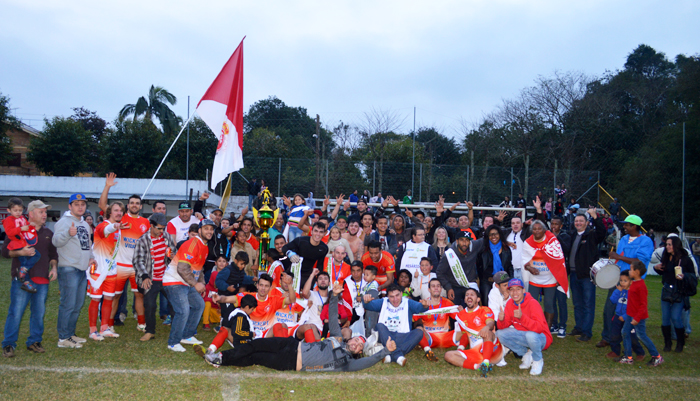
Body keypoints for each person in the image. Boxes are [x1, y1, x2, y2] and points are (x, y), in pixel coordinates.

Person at [202, 281, 396, 371]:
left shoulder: (347, 363)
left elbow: (366, 363)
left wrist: (384, 352)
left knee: (256, 358)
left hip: (291, 363)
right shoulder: (337, 338)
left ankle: (222, 362)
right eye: (357, 341)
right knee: (255, 345)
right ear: (352, 337)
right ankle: (220, 357)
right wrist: (335, 295)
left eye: (359, 347)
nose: (356, 345)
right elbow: (333, 313)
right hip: (292, 345)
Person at [2, 200, 57, 357]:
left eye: (45, 212)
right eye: (41, 212)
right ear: (31, 214)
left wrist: (53, 267)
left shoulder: (48, 233)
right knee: (16, 312)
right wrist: (20, 253)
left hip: (42, 280)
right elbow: (5, 252)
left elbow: (53, 255)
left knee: (38, 313)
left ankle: (34, 341)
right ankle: (8, 344)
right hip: (21, 280)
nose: (45, 215)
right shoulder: (19, 231)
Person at [97, 174, 151, 333]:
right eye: (132, 203)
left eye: (137, 203)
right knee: (115, 296)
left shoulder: (145, 222)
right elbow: (102, 205)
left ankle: (141, 323)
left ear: (140, 206)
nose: (134, 205)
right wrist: (107, 186)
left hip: (137, 267)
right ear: (128, 205)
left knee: (139, 296)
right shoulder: (119, 218)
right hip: (119, 265)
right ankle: (108, 325)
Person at [602, 215, 654, 348]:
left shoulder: (646, 241)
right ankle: (608, 337)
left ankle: (633, 343)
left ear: (634, 226)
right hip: (619, 280)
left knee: (630, 312)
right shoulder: (624, 239)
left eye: (626, 224)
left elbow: (640, 262)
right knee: (610, 308)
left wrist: (618, 256)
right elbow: (620, 258)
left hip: (634, 283)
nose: (624, 227)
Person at [162, 219, 213, 352]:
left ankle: (187, 335)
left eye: (211, 229)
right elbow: (182, 268)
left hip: (186, 282)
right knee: (183, 310)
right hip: (174, 281)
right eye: (206, 228)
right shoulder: (192, 244)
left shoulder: (205, 246)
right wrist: (195, 284)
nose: (209, 231)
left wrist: (201, 283)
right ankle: (173, 342)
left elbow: (199, 268)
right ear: (200, 230)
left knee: (199, 305)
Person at [52, 193, 95, 349]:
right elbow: (55, 241)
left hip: (81, 269)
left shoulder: (84, 224)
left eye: (82, 204)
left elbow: (88, 244)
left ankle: (70, 334)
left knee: (77, 304)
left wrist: (90, 257)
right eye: (76, 204)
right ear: (70, 206)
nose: (80, 207)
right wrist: (67, 234)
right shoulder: (64, 222)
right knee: (68, 304)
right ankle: (63, 337)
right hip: (69, 268)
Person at [86, 202, 128, 341]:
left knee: (109, 298)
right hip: (98, 270)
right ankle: (93, 330)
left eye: (121, 211)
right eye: (116, 210)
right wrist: (114, 226)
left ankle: (104, 327)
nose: (119, 213)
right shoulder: (102, 225)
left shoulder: (119, 229)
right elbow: (106, 230)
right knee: (96, 299)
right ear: (109, 212)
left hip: (111, 269)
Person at [133, 212, 177, 342]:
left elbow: (174, 253)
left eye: (163, 228)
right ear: (151, 226)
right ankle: (150, 331)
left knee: (175, 303)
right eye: (159, 228)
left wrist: (173, 258)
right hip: (151, 278)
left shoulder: (167, 237)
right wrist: (145, 276)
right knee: (150, 305)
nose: (161, 231)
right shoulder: (143, 240)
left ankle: (177, 329)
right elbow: (137, 260)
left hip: (166, 278)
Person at [564, 209, 605, 342]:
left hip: (587, 276)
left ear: (587, 223)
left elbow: (602, 232)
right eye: (576, 221)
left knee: (588, 304)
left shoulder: (591, 235)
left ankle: (587, 332)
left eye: (581, 221)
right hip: (574, 275)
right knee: (577, 303)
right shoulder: (572, 235)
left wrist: (596, 217)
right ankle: (579, 327)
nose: (578, 223)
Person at [363, 283, 429, 366]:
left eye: (397, 295)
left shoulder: (408, 302)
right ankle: (398, 356)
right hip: (386, 336)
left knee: (419, 332)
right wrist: (365, 301)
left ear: (401, 293)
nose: (395, 299)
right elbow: (369, 306)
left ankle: (391, 357)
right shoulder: (383, 301)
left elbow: (419, 307)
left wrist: (425, 306)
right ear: (387, 296)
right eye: (391, 296)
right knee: (379, 326)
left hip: (402, 337)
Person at [496, 278, 552, 376]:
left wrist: (522, 318)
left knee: (530, 335)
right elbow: (504, 326)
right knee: (499, 334)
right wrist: (501, 320)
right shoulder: (510, 303)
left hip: (541, 337)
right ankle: (526, 354)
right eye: (512, 289)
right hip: (524, 335)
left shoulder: (532, 303)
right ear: (508, 291)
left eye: (518, 289)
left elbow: (539, 328)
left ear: (523, 290)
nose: (515, 292)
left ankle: (537, 360)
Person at [521, 220, 568, 332]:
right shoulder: (528, 243)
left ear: (544, 230)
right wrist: (529, 268)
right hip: (534, 279)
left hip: (549, 278)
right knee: (532, 304)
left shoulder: (552, 241)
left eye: (539, 228)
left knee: (549, 304)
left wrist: (558, 276)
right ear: (531, 231)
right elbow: (523, 260)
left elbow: (559, 259)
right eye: (534, 229)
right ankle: (533, 327)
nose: (537, 231)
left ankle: (546, 330)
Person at [445, 288, 503, 377]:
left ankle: (486, 363)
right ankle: (478, 367)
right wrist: (460, 348)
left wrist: (486, 327)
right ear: (464, 300)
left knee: (488, 333)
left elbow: (491, 323)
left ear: (478, 299)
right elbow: (464, 334)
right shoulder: (461, 315)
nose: (469, 296)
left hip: (492, 350)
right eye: (467, 295)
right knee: (448, 355)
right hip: (476, 352)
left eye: (472, 294)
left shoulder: (485, 310)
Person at [653, 235, 696, 353]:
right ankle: (668, 343)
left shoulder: (685, 259)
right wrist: (656, 268)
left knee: (676, 317)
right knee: (665, 318)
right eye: (666, 244)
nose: (667, 247)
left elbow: (693, 276)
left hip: (679, 291)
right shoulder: (666, 257)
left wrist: (684, 276)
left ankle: (680, 343)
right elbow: (664, 273)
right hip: (666, 289)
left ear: (676, 245)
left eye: (670, 244)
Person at [621, 261, 663, 366]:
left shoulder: (641, 286)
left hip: (637, 317)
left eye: (631, 270)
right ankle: (628, 356)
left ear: (637, 272)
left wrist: (637, 318)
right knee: (625, 332)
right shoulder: (634, 283)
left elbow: (643, 305)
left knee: (641, 335)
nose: (629, 271)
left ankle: (656, 356)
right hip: (631, 315)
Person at [413, 278, 457, 361]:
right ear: (429, 289)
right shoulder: (424, 303)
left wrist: (461, 311)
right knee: (419, 330)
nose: (436, 288)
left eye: (438, 286)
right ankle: (428, 351)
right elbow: (412, 318)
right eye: (433, 286)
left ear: (441, 289)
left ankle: (460, 350)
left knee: (464, 329)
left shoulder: (448, 303)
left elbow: (459, 317)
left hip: (446, 336)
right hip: (429, 337)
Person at [3, 198, 41, 293]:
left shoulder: (22, 218)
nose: (18, 212)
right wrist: (21, 229)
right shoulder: (8, 220)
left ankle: (24, 269)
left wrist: (30, 225)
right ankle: (25, 281)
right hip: (17, 244)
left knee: (36, 255)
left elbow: (26, 226)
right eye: (15, 210)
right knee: (23, 261)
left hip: (24, 243)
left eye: (20, 210)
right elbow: (9, 232)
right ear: (9, 210)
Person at [437, 231, 482, 308]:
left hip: (469, 285)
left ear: (470, 242)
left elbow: (487, 238)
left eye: (467, 240)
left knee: (473, 309)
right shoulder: (449, 255)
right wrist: (448, 287)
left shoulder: (474, 247)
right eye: (462, 240)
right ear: (457, 241)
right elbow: (439, 272)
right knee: (454, 311)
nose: (464, 243)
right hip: (454, 286)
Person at [608, 271, 645, 361]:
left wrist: (625, 316)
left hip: (628, 317)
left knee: (632, 336)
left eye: (625, 281)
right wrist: (617, 291)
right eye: (621, 280)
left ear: (631, 282)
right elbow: (612, 300)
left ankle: (639, 352)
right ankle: (615, 351)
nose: (622, 283)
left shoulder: (632, 293)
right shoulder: (619, 291)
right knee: (614, 335)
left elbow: (634, 307)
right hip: (617, 317)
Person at [283, 222, 329, 288]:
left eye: (321, 232)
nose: (318, 234)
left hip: (308, 274)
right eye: (316, 231)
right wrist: (290, 254)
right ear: (312, 231)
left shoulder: (324, 248)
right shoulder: (300, 241)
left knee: (307, 295)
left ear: (324, 234)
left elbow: (320, 265)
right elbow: (284, 248)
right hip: (293, 271)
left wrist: (318, 279)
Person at [477, 225, 513, 306]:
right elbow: (479, 266)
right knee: (486, 302)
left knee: (503, 303)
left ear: (500, 234)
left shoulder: (506, 249)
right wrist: (486, 278)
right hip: (487, 281)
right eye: (491, 234)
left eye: (496, 234)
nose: (494, 236)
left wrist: (510, 280)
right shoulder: (483, 249)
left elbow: (509, 266)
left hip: (503, 281)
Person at [549, 216, 571, 338]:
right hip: (549, 274)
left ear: (561, 226)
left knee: (561, 301)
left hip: (561, 274)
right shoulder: (546, 236)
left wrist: (556, 238)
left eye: (556, 224)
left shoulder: (565, 236)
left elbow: (567, 250)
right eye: (552, 223)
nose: (554, 226)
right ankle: (555, 324)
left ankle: (563, 325)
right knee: (551, 301)